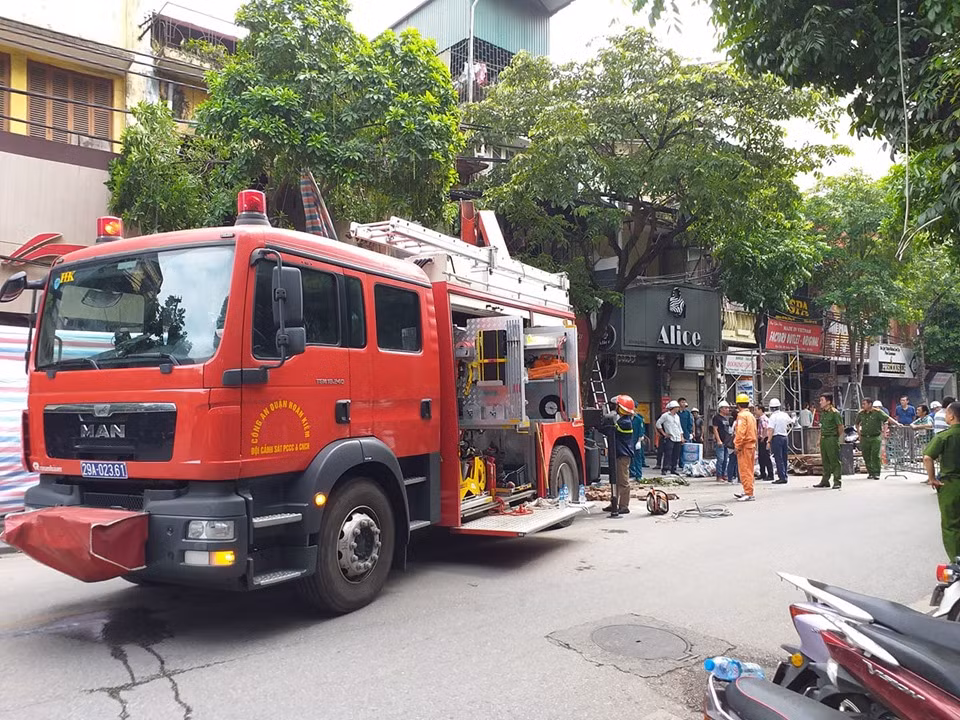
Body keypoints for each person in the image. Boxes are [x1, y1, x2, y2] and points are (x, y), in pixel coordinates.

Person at [923, 401, 960, 560]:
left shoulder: (945, 436)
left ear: (951, 416)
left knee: (951, 524)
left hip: (951, 484)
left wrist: (932, 479)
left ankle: (956, 561)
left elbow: (927, 457)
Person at [603, 394, 636, 515]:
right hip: (617, 454)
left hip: (623, 455)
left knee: (623, 481)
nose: (614, 408)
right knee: (615, 480)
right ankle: (614, 503)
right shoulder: (622, 420)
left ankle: (624, 506)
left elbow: (611, 429)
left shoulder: (625, 422)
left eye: (616, 406)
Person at [856, 398, 899, 480]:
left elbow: (887, 418)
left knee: (875, 455)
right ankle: (870, 472)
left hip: (875, 436)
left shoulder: (877, 412)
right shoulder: (861, 413)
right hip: (864, 437)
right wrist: (859, 433)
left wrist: (897, 423)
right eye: (862, 404)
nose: (863, 406)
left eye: (864, 404)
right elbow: (857, 423)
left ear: (870, 404)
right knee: (866, 455)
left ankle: (876, 473)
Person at [814, 393, 843, 490]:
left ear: (828, 402)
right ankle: (825, 480)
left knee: (834, 460)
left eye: (822, 400)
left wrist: (835, 437)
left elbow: (840, 427)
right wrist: (819, 439)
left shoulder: (835, 413)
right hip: (824, 438)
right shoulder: (823, 413)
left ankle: (837, 481)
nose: (820, 402)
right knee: (825, 460)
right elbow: (822, 427)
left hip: (831, 438)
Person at [733, 394, 757, 501]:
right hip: (751, 445)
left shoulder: (742, 416)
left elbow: (740, 432)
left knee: (744, 470)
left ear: (738, 405)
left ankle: (748, 493)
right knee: (749, 469)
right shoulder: (751, 415)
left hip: (744, 446)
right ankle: (747, 490)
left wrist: (737, 445)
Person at [767, 398, 793, 484]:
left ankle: (781, 477)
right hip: (785, 437)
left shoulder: (772, 417)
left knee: (778, 458)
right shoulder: (784, 414)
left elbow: (771, 429)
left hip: (776, 438)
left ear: (771, 408)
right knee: (784, 457)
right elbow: (791, 422)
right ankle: (785, 475)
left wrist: (768, 441)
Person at [655, 400, 684, 475]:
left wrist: (682, 437)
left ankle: (673, 469)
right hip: (670, 437)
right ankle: (665, 469)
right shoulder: (665, 415)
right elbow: (658, 424)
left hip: (677, 437)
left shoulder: (677, 416)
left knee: (676, 454)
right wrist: (663, 433)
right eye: (677, 407)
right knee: (668, 454)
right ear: (673, 408)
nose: (678, 409)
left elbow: (679, 427)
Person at [712, 401, 733, 482]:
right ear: (721, 409)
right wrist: (718, 440)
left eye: (728, 408)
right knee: (720, 459)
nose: (727, 409)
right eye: (726, 408)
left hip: (726, 442)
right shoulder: (717, 418)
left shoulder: (725, 419)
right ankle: (719, 476)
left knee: (725, 459)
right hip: (720, 441)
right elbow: (715, 429)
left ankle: (724, 474)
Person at [754, 404, 774, 482]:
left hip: (764, 439)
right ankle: (763, 473)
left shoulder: (763, 419)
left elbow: (766, 428)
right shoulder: (760, 419)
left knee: (766, 456)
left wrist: (763, 436)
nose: (755, 412)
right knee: (761, 457)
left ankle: (770, 474)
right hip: (761, 438)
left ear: (760, 410)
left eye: (756, 410)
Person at [629, 407, 646, 480]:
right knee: (630, 459)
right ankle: (632, 473)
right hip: (629, 442)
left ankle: (638, 475)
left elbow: (641, 431)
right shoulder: (627, 419)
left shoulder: (639, 419)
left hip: (636, 441)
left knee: (637, 458)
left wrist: (639, 441)